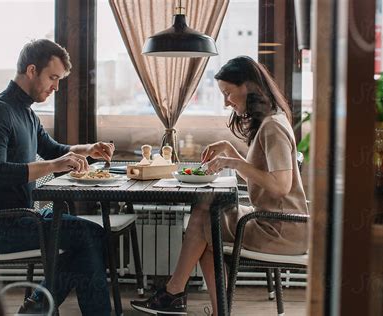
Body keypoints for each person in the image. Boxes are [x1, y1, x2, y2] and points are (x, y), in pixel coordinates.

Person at [131, 56, 309, 315]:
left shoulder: (272, 127)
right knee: (207, 219)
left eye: (228, 92)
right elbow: (263, 176)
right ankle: (193, 301)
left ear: (248, 86)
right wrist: (231, 153)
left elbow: (281, 185)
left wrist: (233, 163)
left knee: (205, 217)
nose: (226, 101)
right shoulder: (272, 120)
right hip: (277, 223)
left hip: (279, 229)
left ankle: (174, 293)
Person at [0, 39, 114, 315]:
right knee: (88, 238)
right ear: (31, 70)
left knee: (94, 236)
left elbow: (54, 150)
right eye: (53, 77)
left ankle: (37, 308)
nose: (56, 87)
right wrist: (53, 165)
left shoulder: (26, 113)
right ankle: (39, 308)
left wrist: (90, 150)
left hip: (24, 217)